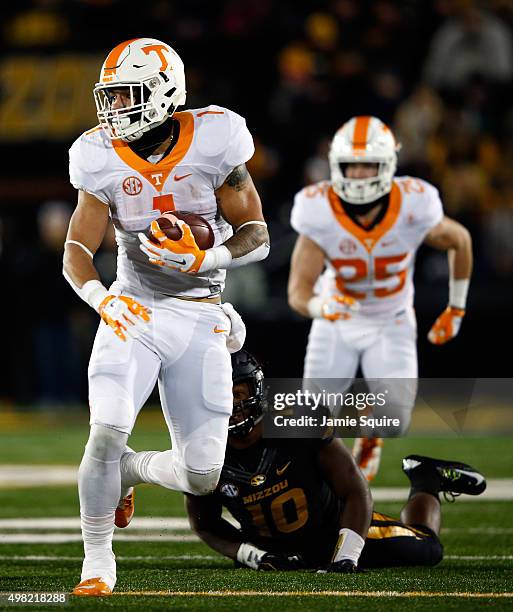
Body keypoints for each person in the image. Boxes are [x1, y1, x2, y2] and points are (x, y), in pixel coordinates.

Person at [63, 38, 270, 596]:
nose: (114, 109)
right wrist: (102, 299)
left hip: (201, 313)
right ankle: (97, 561)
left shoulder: (216, 136)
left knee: (202, 476)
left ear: (164, 92)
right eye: (109, 96)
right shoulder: (97, 154)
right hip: (135, 309)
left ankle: (133, 470)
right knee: (105, 431)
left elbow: (258, 234)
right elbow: (77, 248)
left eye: (127, 95)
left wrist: (209, 256)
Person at [287, 116, 473, 481]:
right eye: (350, 165)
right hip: (337, 320)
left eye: (368, 164)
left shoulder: (415, 203)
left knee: (396, 420)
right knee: (313, 419)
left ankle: (371, 433)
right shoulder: (318, 207)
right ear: (335, 165)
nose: (358, 174)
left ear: (387, 165)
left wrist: (457, 307)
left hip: (392, 319)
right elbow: (298, 290)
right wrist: (320, 308)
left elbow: (460, 240)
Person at [185, 350, 486, 571]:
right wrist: (252, 555)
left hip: (335, 531)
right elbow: (206, 524)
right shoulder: (199, 447)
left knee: (430, 551)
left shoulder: (299, 420)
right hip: (270, 547)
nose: (232, 404)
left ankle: (426, 478)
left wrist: (346, 555)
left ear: (257, 391)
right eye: (222, 395)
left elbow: (354, 490)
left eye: (238, 393)